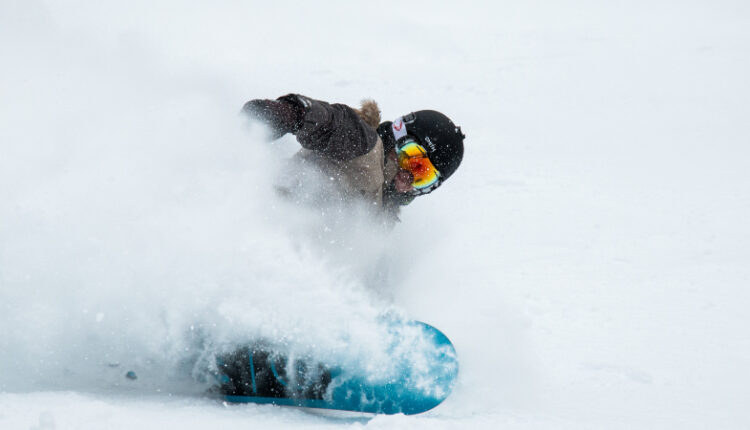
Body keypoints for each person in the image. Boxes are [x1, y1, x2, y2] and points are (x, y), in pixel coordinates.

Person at [242, 94, 465, 223]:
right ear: (398, 135)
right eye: (413, 160)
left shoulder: (383, 215)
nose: (408, 178)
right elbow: (334, 123)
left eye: (423, 177)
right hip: (268, 217)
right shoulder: (366, 148)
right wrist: (290, 114)